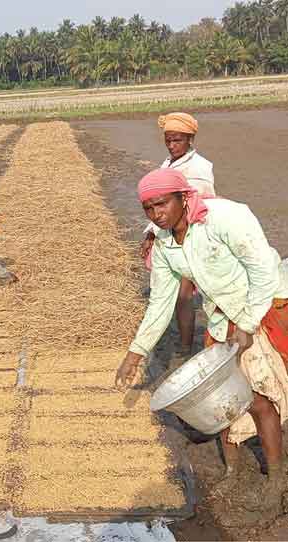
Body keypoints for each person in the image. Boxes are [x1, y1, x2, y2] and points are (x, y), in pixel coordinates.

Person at [116, 168, 288, 509]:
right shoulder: (165, 242)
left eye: (161, 204)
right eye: (148, 208)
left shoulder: (224, 217)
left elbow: (262, 270)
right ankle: (234, 470)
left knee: (258, 397)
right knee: (218, 398)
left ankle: (276, 479)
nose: (156, 214)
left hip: (262, 303)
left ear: (183, 197)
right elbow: (161, 302)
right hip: (222, 315)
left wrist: (248, 323)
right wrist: (136, 352)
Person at [141, 112, 216, 358]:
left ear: (190, 139)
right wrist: (151, 233)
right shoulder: (168, 164)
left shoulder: (200, 167)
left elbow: (202, 203)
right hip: (171, 235)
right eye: (169, 141)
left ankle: (186, 348)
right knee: (173, 293)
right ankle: (188, 343)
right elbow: (160, 204)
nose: (172, 146)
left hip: (194, 234)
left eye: (177, 140)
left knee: (185, 295)